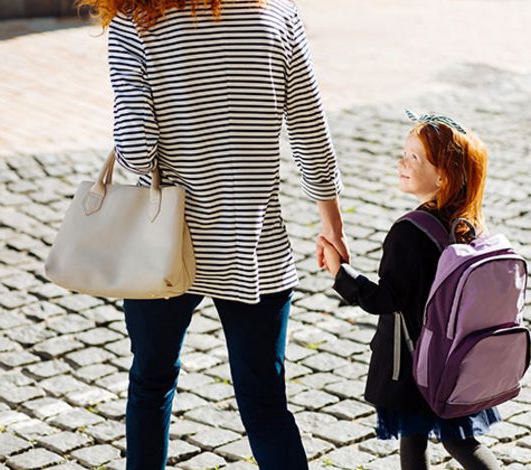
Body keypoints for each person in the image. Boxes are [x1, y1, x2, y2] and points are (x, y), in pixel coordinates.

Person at [76, 0, 349, 468]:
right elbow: (309, 127)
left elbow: (137, 154)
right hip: (255, 245)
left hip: (162, 244)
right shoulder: (277, 13)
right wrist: (332, 224)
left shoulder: (133, 23)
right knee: (265, 405)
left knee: (150, 383)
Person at [318, 112, 501, 470]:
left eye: (414, 157)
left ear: (442, 175)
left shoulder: (409, 232)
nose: (401, 162)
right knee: (454, 440)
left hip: (416, 362)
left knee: (427, 442)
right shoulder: (467, 224)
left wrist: (341, 272)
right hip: (455, 359)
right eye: (404, 152)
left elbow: (385, 299)